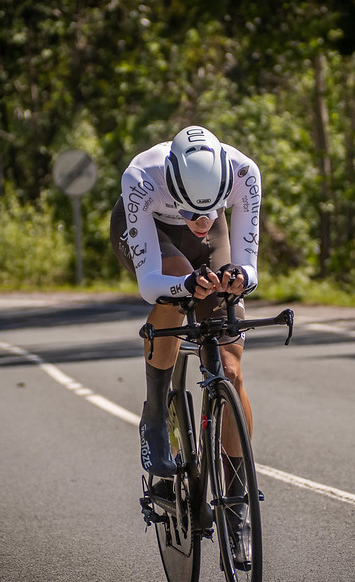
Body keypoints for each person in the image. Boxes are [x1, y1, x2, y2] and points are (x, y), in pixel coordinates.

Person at [110, 124, 261, 488]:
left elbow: (249, 269)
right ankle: (156, 413)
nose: (201, 222)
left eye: (210, 211)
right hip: (152, 230)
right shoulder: (142, 177)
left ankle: (238, 498)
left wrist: (239, 278)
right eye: (193, 213)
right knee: (177, 280)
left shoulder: (244, 173)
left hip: (210, 244)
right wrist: (186, 285)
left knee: (231, 368)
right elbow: (150, 285)